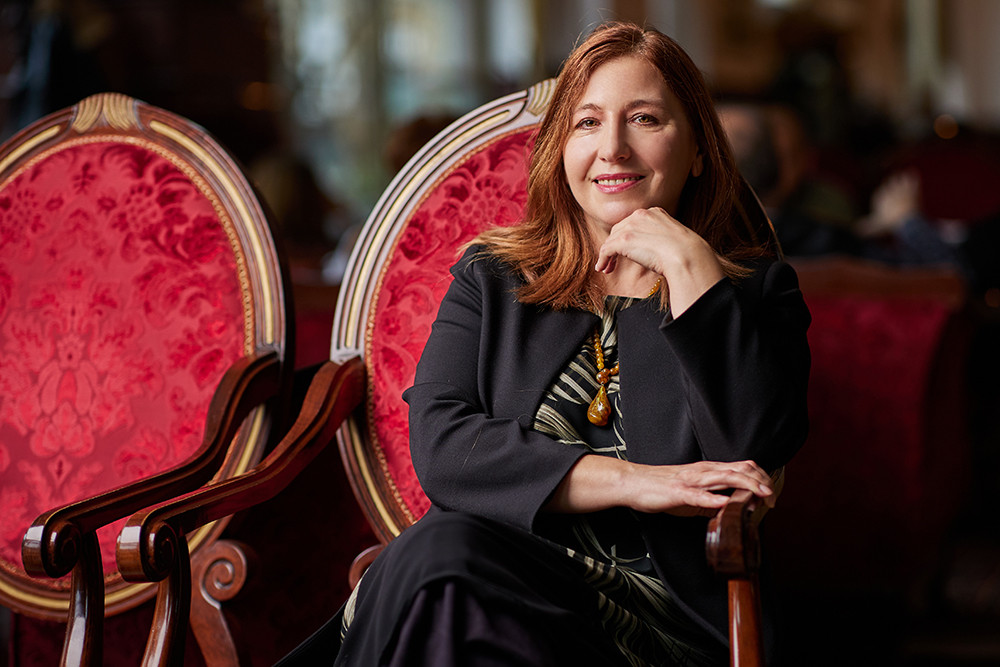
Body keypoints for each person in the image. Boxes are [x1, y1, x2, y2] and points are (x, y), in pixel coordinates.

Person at [279, 20, 810, 667]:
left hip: (655, 624)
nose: (612, 148)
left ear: (698, 148)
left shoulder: (758, 294)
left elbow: (747, 456)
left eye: (644, 119)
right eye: (588, 123)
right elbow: (443, 449)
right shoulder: (492, 278)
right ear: (561, 149)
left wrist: (692, 269)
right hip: (490, 585)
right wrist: (636, 482)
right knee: (449, 566)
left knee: (443, 574)